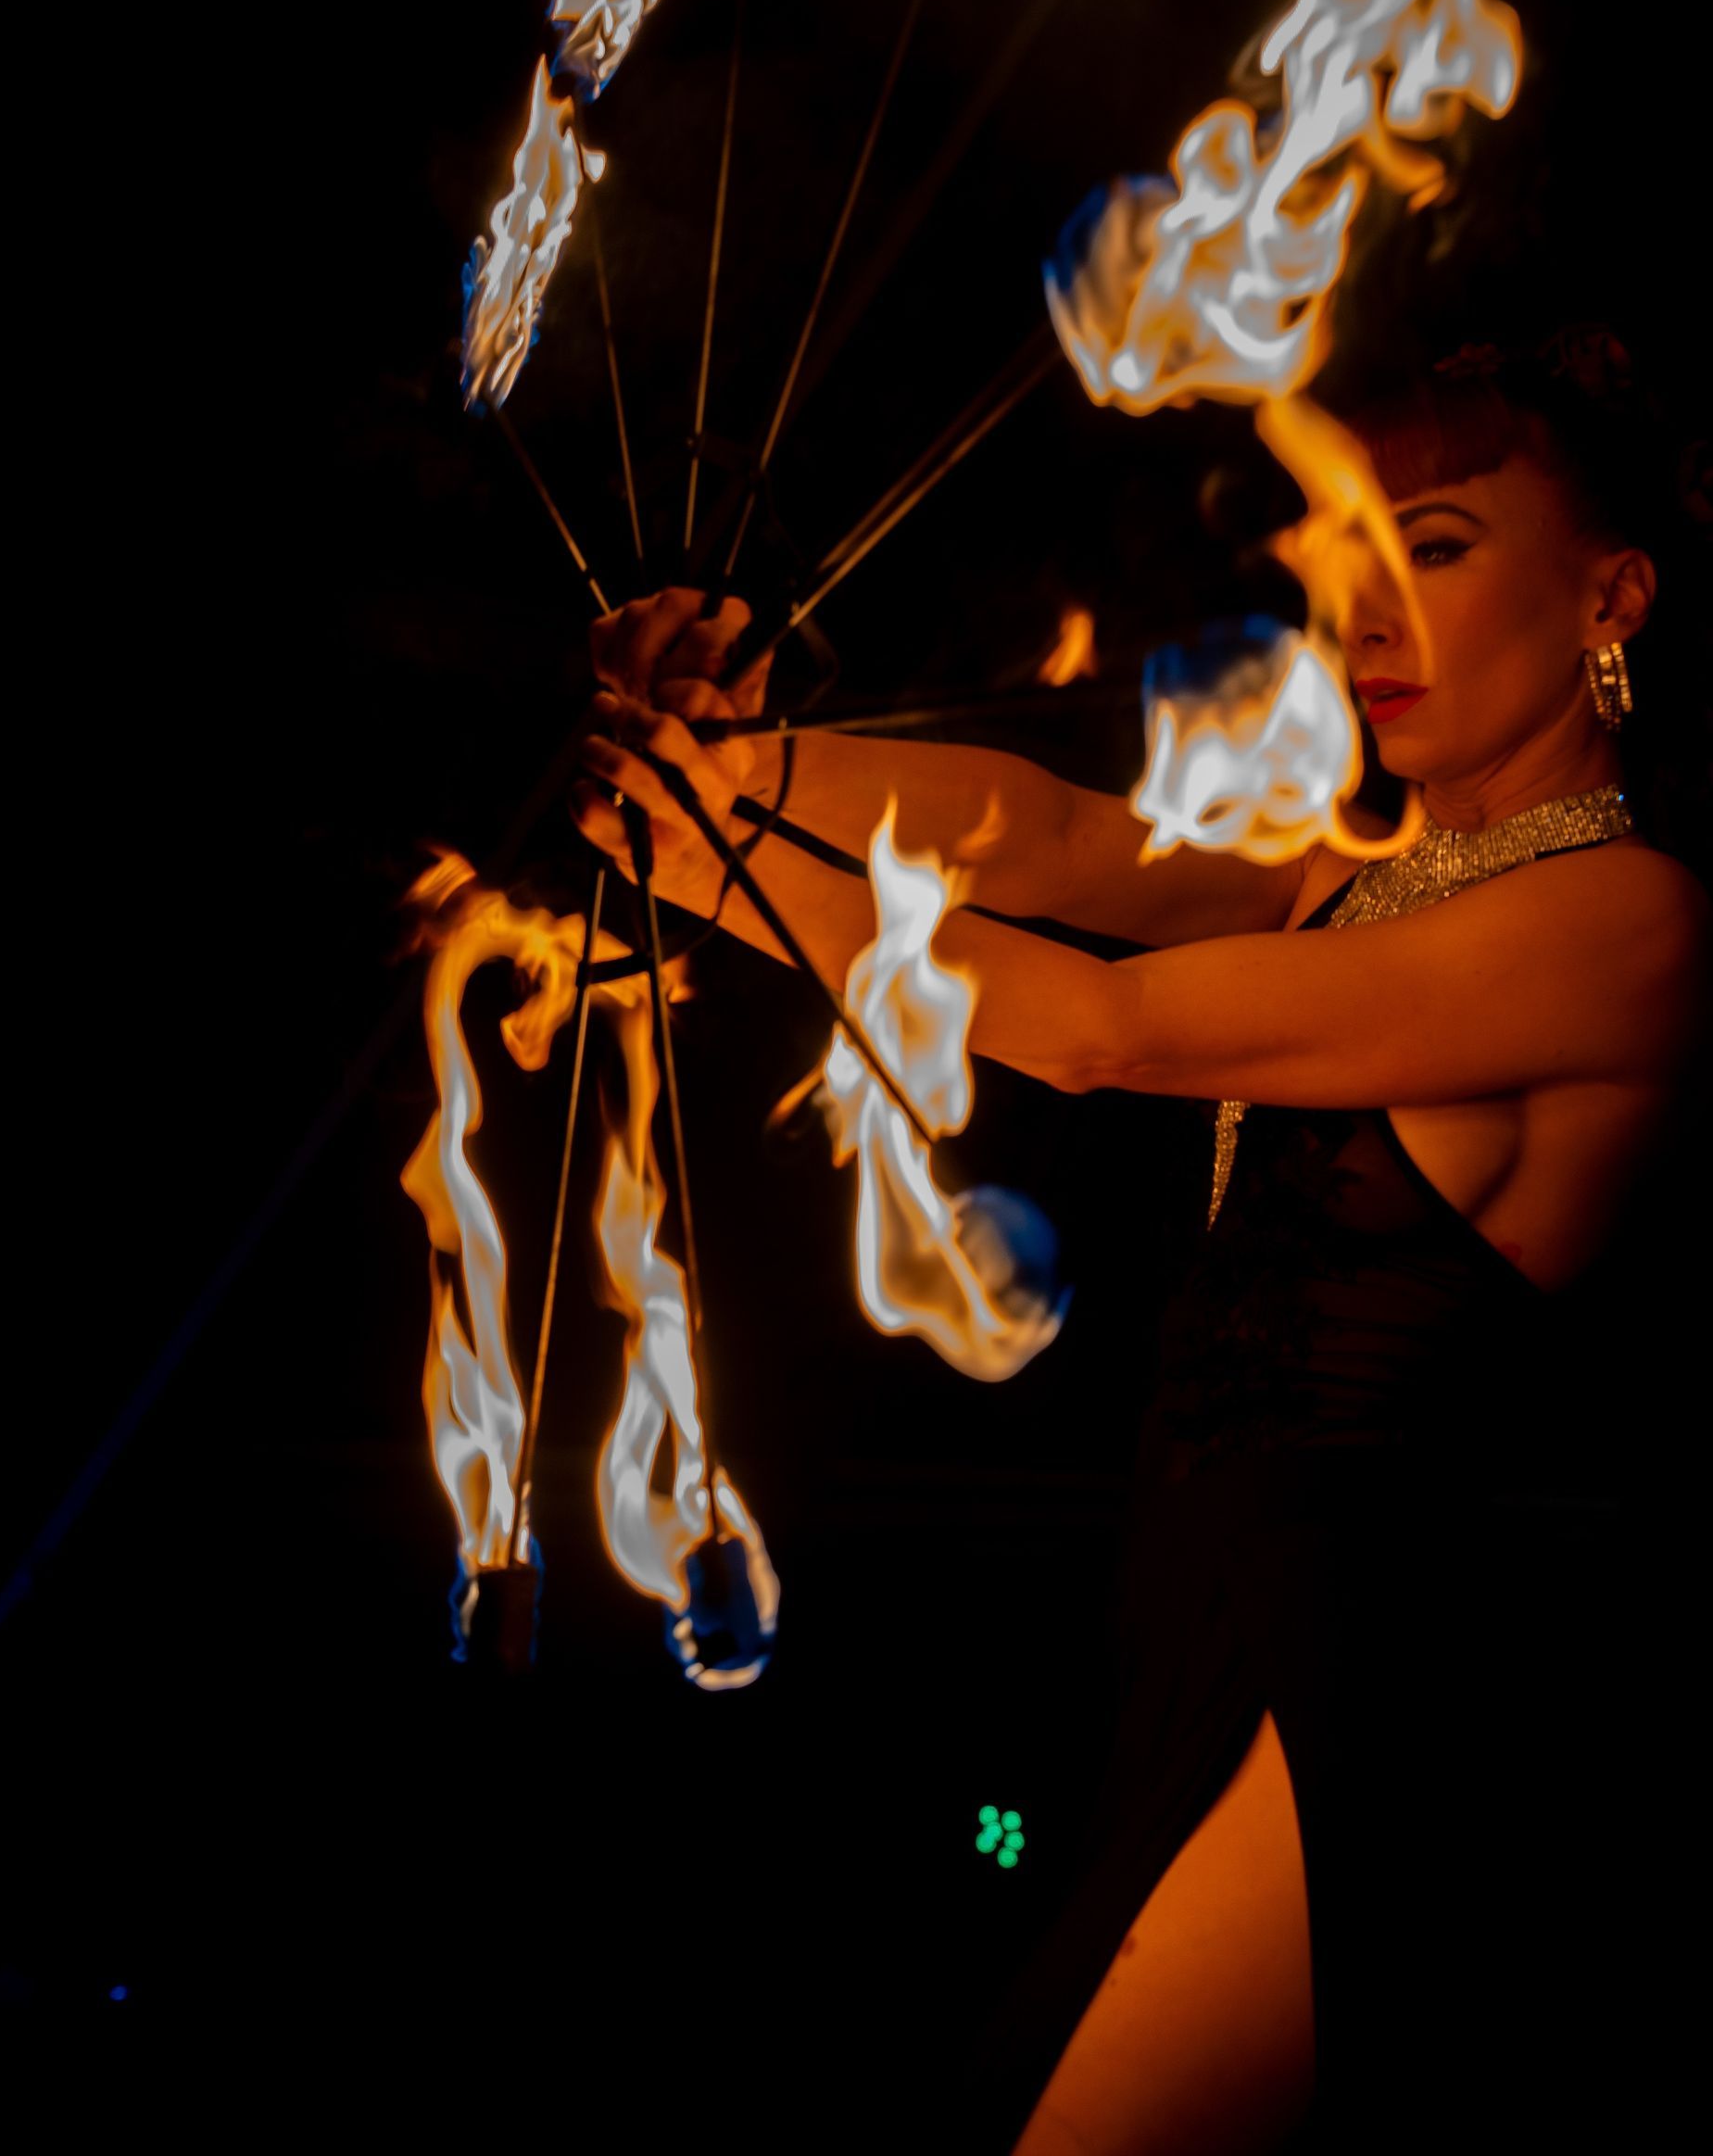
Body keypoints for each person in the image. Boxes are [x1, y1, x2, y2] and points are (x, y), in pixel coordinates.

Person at [572, 332, 1705, 2153]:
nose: (1367, 612)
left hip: (1356, 1671)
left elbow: (1110, 1031)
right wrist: (740, 760)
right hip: (1188, 1637)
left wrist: (715, 865)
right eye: (1347, 555)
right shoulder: (1347, 877)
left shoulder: (1624, 924)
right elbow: (1048, 839)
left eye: (1434, 547)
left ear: (1611, 598)